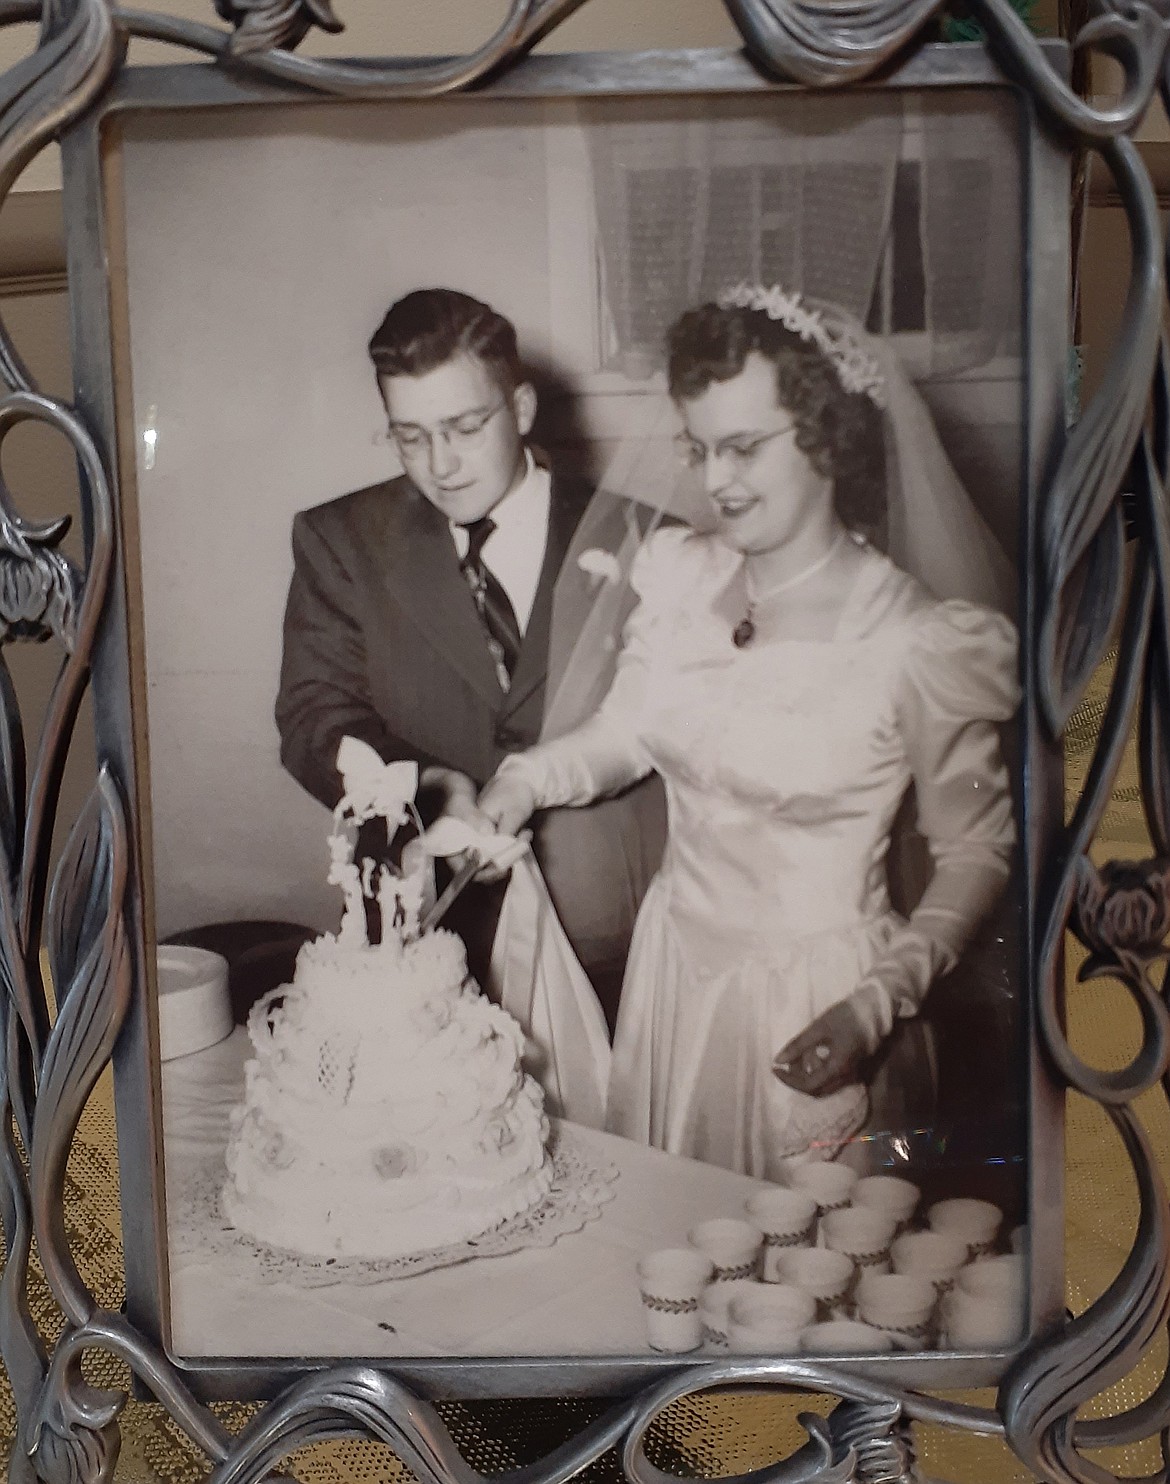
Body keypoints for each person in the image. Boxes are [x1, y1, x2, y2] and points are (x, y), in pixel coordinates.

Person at [470, 284, 1019, 1180]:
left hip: (824, 999)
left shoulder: (916, 640)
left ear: (827, 434)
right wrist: (526, 779)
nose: (713, 479)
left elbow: (978, 852)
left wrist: (879, 1003)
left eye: (744, 447)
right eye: (698, 447)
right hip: (674, 977)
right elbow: (628, 731)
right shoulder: (681, 575)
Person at [275, 288, 665, 1066]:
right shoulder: (340, 540)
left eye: (464, 427)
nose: (441, 465)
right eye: (410, 437)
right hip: (433, 934)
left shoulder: (646, 535)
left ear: (520, 407)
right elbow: (314, 715)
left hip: (615, 935)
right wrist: (427, 787)